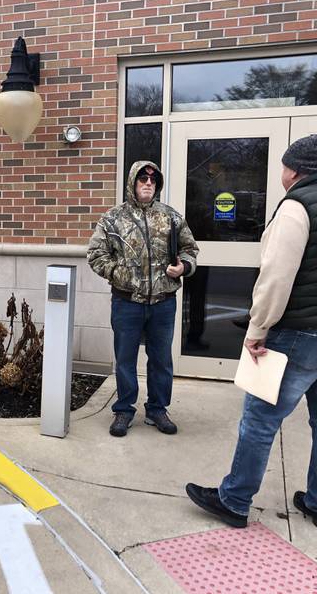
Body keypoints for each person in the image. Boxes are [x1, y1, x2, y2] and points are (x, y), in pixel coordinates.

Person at [186, 135, 317, 531]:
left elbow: (276, 277)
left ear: (293, 170)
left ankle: (234, 500)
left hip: (300, 335)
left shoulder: (296, 207)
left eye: (283, 167)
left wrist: (257, 329)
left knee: (260, 419)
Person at [88, 160, 199, 437]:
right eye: (142, 178)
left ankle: (157, 409)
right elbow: (95, 255)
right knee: (125, 359)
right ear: (132, 183)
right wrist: (119, 273)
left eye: (152, 179)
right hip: (127, 302)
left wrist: (183, 267)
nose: (148, 183)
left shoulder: (171, 217)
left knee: (161, 359)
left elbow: (190, 249)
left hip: (163, 302)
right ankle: (124, 410)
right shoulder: (113, 218)